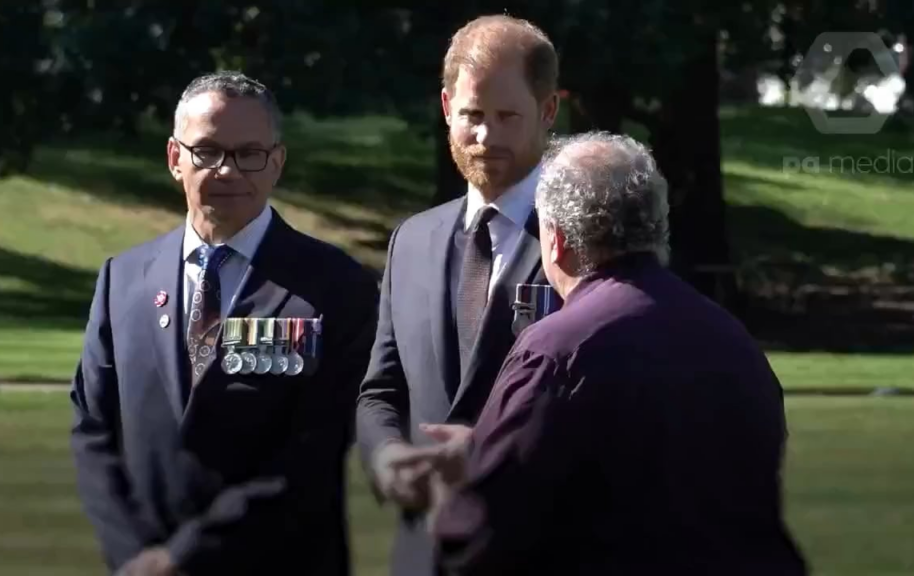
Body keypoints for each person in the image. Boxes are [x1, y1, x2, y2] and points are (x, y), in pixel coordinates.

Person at [416, 132, 810, 576]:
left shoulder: (556, 350)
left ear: (557, 238)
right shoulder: (733, 340)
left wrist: (454, 489)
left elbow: (482, 538)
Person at [69, 71, 379, 576]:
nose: (228, 171)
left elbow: (314, 453)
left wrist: (182, 558)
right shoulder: (122, 279)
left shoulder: (337, 287)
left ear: (276, 162)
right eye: (207, 151)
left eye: (249, 153)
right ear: (175, 159)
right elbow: (93, 429)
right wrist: (133, 555)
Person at [355, 14, 562, 576]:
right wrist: (388, 457)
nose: (486, 136)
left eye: (507, 116)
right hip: (423, 556)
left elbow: (616, 405)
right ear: (447, 108)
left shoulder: (587, 239)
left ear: (548, 111)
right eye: (472, 115)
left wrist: (493, 454)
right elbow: (380, 391)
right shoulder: (411, 241)